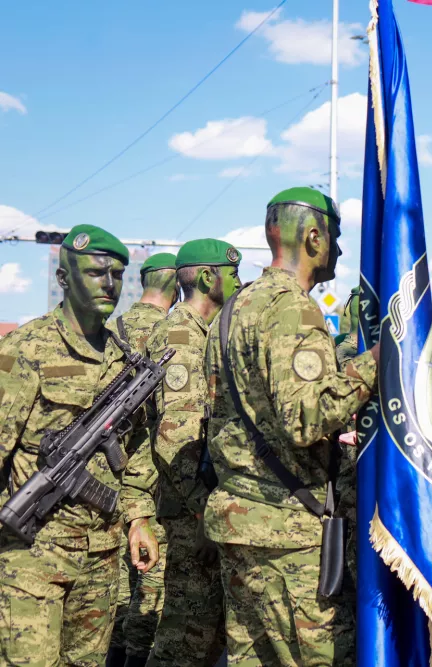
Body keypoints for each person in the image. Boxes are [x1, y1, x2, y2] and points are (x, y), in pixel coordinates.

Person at [203, 187, 378, 666]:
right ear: (315, 237)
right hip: (287, 532)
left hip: (239, 521)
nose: (340, 250)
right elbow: (306, 419)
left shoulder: (232, 311)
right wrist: (374, 366)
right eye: (337, 237)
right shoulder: (290, 307)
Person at [0, 224, 159, 667]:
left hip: (101, 559)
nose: (109, 284)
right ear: (64, 278)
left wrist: (138, 517)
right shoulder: (24, 350)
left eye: (118, 275)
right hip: (31, 557)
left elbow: (139, 446)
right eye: (95, 273)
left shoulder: (122, 358)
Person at [144, 240, 242, 667]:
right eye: (233, 274)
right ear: (208, 278)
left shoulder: (206, 334)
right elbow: (175, 436)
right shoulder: (180, 335)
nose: (239, 284)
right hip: (190, 515)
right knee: (185, 640)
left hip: (199, 508)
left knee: (207, 634)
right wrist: (207, 514)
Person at [107, 251, 177, 667]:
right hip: (150, 484)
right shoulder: (170, 332)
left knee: (114, 587)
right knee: (150, 587)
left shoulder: (110, 330)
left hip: (104, 478)